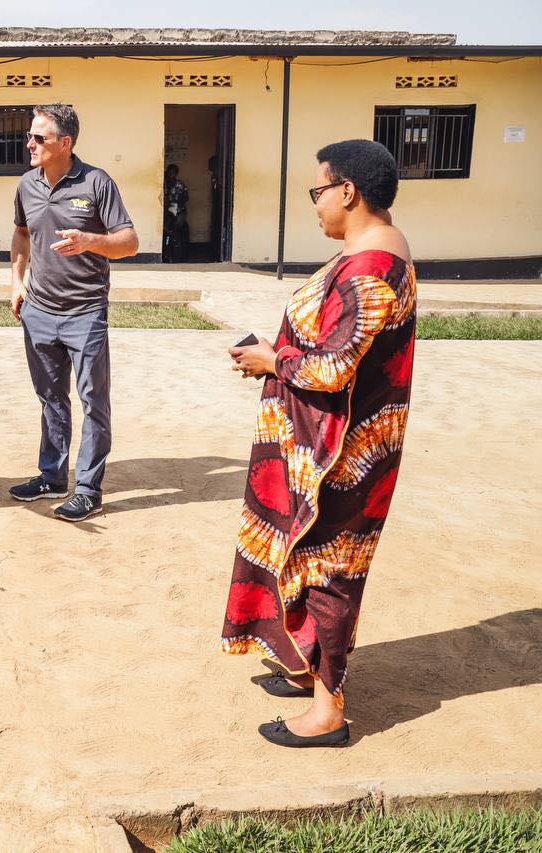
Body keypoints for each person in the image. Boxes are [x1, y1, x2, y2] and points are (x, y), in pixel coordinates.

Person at [224, 139, 417, 748]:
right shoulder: (365, 253)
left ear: (348, 191)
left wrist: (272, 360)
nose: (315, 204)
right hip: (325, 443)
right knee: (306, 558)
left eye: (318, 191)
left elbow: (334, 367)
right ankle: (306, 667)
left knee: (329, 566)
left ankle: (328, 713)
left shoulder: (373, 265)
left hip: (343, 454)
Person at [8, 103, 139, 522]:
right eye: (29, 136)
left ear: (64, 143)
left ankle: (88, 489)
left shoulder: (97, 182)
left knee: (93, 401)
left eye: (39, 138)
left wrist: (90, 240)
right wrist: (17, 282)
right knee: (50, 398)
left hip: (85, 313)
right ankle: (52, 476)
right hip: (39, 311)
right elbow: (21, 233)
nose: (29, 144)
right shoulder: (27, 184)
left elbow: (130, 241)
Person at [162, 163, 189, 263]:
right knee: (167, 230)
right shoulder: (164, 184)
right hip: (167, 211)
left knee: (177, 229)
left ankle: (178, 253)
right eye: (169, 172)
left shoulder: (180, 184)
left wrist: (177, 202)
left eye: (172, 173)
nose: (170, 174)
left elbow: (186, 197)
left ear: (176, 174)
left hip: (179, 211)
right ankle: (167, 253)